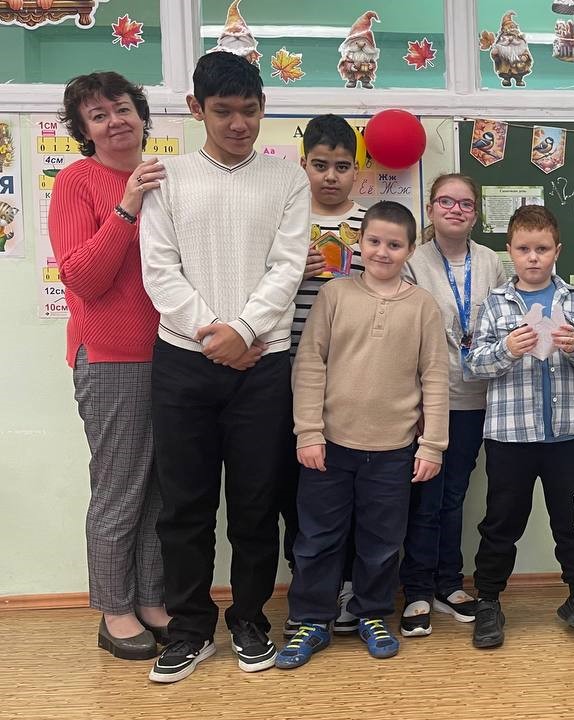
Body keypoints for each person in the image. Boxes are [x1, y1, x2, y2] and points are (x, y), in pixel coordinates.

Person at [140, 50, 310, 683]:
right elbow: (160, 270)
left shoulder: (287, 179)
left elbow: (287, 266)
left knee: (255, 503)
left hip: (262, 364)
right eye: (223, 111)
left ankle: (249, 618)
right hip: (183, 363)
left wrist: (243, 331)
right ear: (196, 109)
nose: (239, 123)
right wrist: (215, 333)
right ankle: (190, 628)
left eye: (250, 110)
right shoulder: (168, 177)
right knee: (184, 505)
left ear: (264, 109)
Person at [275, 201, 450, 669]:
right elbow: (309, 363)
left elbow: (435, 376)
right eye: (374, 241)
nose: (382, 252)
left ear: (410, 250)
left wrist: (433, 444)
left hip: (393, 451)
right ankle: (312, 619)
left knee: (382, 542)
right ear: (359, 243)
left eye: (394, 244)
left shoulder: (423, 307)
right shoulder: (334, 296)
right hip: (329, 446)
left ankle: (371, 613)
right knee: (317, 538)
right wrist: (308, 432)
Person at [48, 71, 170, 661]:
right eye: (98, 115)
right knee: (120, 488)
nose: (115, 121)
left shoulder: (166, 178)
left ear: (141, 115)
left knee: (160, 491)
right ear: (85, 130)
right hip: (109, 357)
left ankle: (150, 598)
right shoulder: (76, 182)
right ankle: (114, 609)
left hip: (172, 354)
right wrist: (126, 207)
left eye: (122, 108)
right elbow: (84, 278)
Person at [466, 205, 574, 649]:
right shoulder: (495, 303)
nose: (533, 257)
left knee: (572, 519)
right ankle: (488, 600)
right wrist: (507, 348)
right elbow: (474, 365)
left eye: (542, 249)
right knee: (502, 521)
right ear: (509, 251)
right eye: (524, 249)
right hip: (510, 437)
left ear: (557, 251)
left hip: (565, 434)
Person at [399, 173, 505, 637]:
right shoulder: (413, 261)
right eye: (446, 201)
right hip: (427, 400)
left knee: (456, 494)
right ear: (430, 208)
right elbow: (404, 331)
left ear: (476, 213)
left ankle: (449, 584)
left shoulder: (491, 262)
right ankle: (417, 589)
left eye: (465, 204)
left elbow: (501, 323)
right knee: (425, 498)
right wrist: (419, 402)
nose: (456, 210)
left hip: (475, 397)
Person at [279, 113, 368, 638]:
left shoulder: (370, 224)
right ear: (303, 164)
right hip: (290, 371)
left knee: (352, 483)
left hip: (356, 376)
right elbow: (260, 291)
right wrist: (293, 272)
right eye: (319, 165)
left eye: (341, 166)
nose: (331, 176)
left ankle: (352, 585)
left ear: (356, 169)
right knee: (300, 486)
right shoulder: (286, 221)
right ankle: (309, 584)